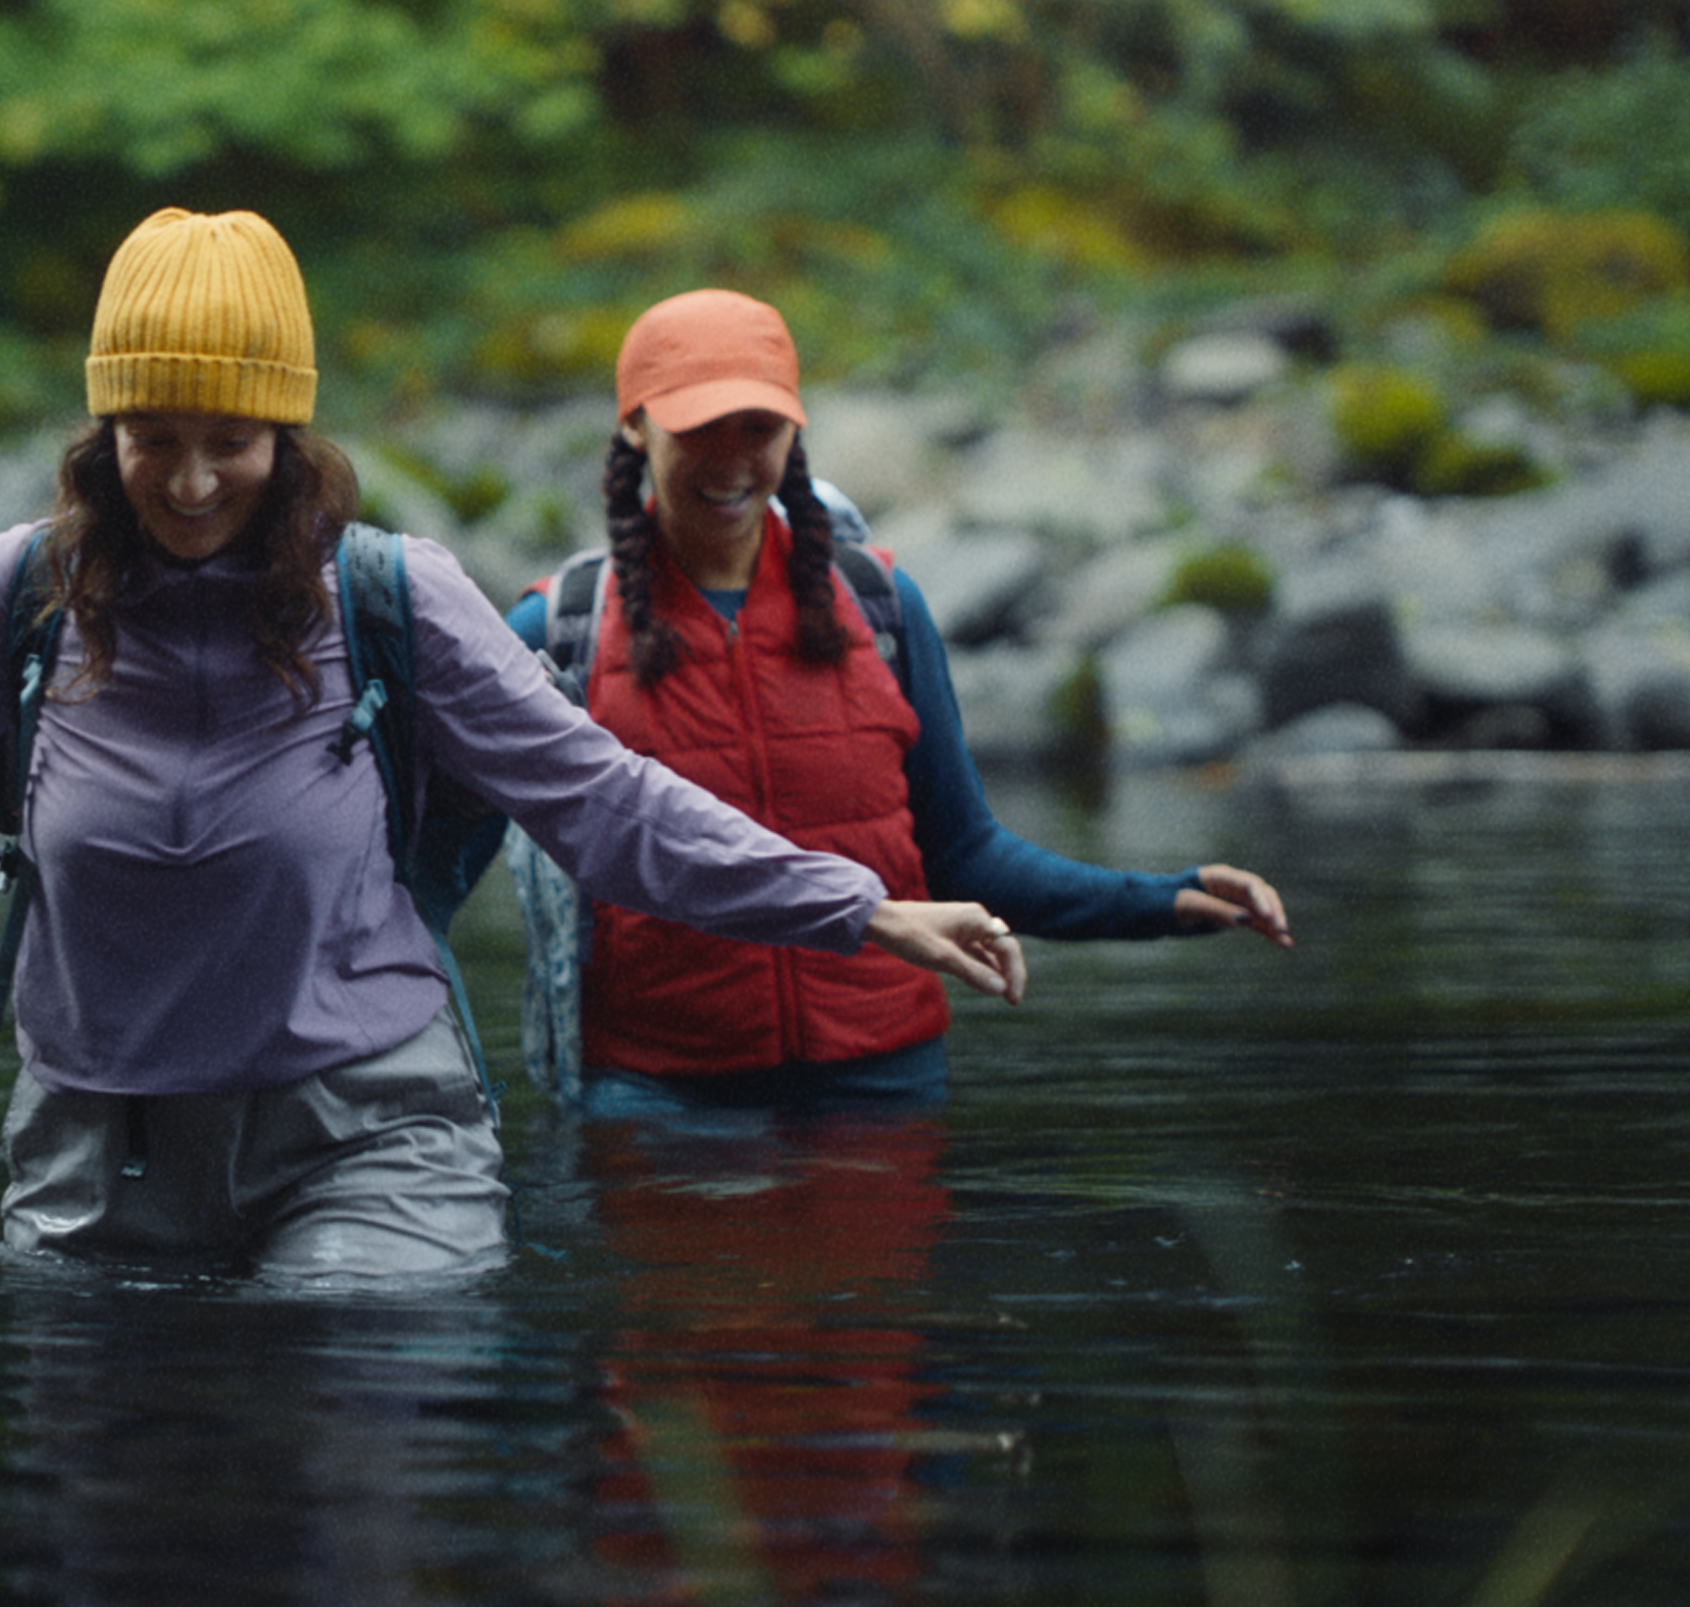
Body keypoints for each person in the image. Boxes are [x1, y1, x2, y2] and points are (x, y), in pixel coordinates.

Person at [0, 211, 1026, 1283]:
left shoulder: (390, 594)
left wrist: (855, 907)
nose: (188, 482)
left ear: (289, 436)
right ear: (104, 433)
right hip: (95, 1160)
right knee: (134, 1551)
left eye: (229, 442)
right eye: (152, 440)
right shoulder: (25, 591)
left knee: (338, 1402)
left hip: (366, 1138)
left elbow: (600, 803)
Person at [505, 286, 1293, 1120]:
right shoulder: (561, 632)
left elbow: (962, 856)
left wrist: (1161, 901)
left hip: (882, 1083)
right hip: (659, 1095)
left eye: (760, 428)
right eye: (698, 429)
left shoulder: (879, 607)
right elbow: (437, 858)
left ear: (795, 430)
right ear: (635, 427)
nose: (732, 458)